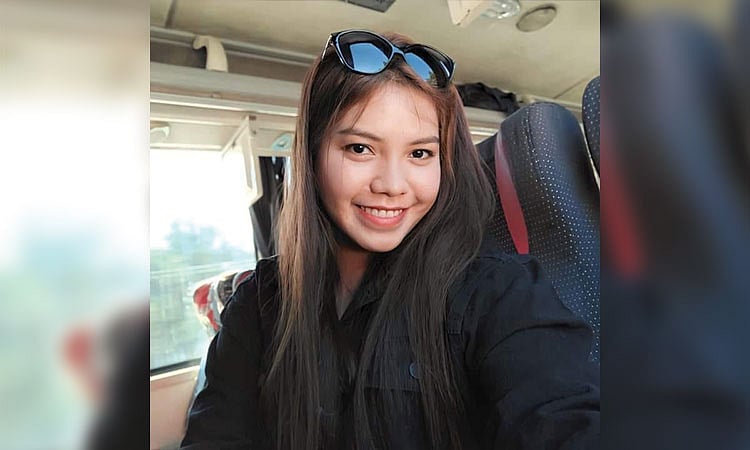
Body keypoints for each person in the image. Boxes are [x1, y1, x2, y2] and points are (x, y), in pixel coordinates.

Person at [181, 30, 599, 450]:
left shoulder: (498, 293)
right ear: (312, 155)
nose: (392, 185)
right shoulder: (259, 302)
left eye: (420, 154)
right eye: (360, 148)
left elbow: (559, 415)